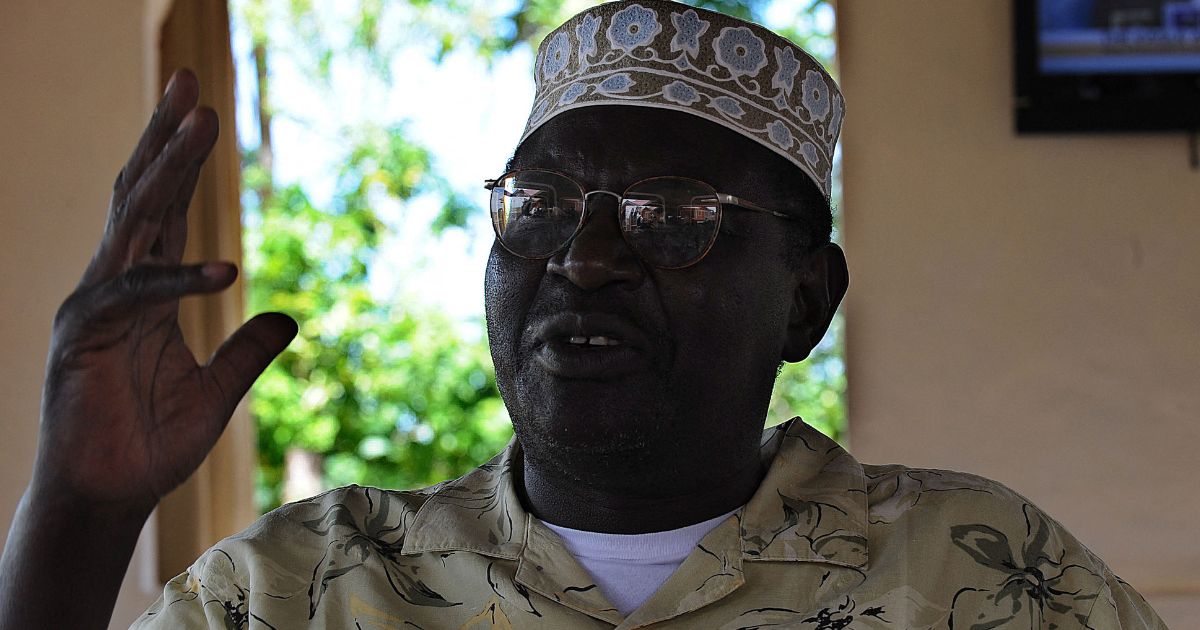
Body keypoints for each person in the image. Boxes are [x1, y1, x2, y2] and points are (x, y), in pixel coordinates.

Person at [0, 1, 1168, 628]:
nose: (588, 258)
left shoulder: (980, 575)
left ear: (807, 300)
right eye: (543, 205)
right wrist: (78, 513)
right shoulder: (306, 588)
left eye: (673, 214)